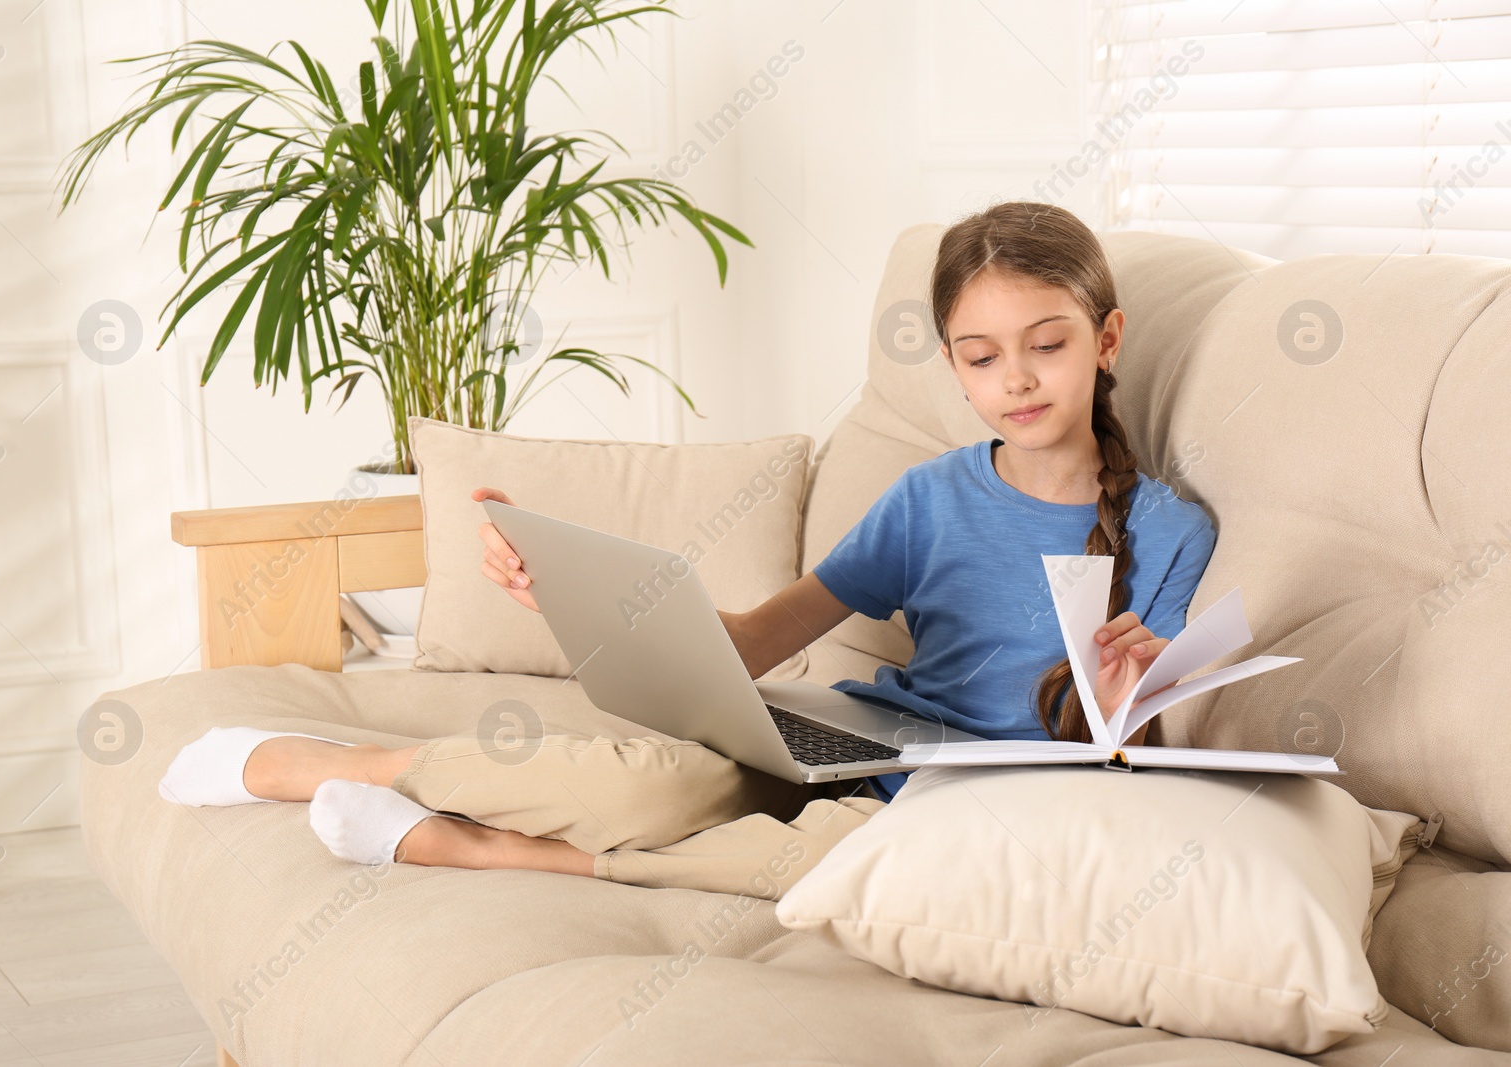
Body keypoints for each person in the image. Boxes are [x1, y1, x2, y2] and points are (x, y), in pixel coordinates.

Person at [158, 200, 1217, 901]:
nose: (1018, 380)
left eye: (1048, 344)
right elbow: (760, 639)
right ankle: (337, 762)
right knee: (647, 786)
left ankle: (473, 843)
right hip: (871, 749)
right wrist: (567, 595)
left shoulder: (1170, 530)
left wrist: (1126, 698)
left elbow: (1140, 748)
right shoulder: (931, 498)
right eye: (983, 358)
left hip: (982, 804)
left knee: (832, 869)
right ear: (952, 364)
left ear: (1106, 340)